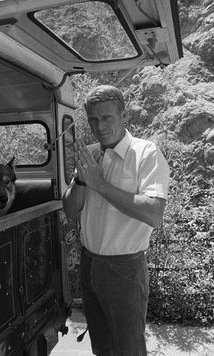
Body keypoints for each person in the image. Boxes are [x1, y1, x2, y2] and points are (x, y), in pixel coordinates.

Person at [63, 85, 170, 356]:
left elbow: (153, 213)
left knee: (128, 348)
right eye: (94, 119)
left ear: (124, 115)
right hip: (90, 264)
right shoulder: (89, 154)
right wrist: (81, 180)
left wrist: (100, 184)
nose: (100, 126)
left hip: (125, 268)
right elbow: (70, 209)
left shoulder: (146, 153)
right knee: (102, 346)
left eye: (107, 117)